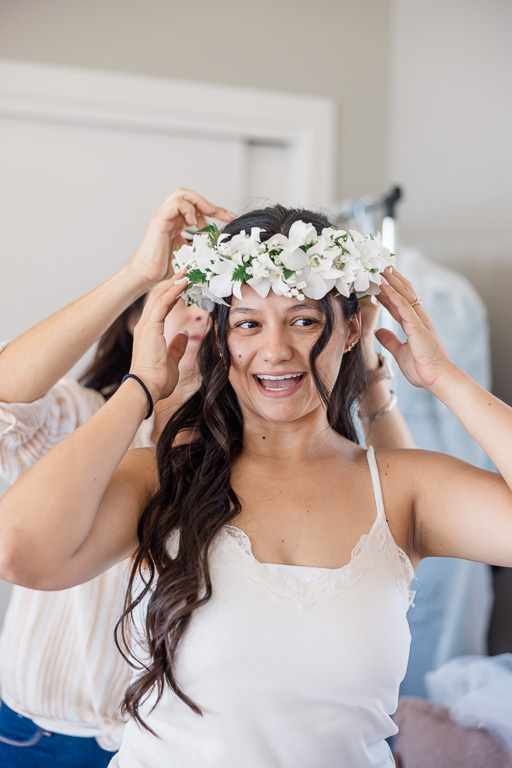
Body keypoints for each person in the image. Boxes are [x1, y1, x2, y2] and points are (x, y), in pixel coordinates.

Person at [2, 202, 505, 768]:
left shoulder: (405, 487)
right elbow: (21, 551)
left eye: (304, 319)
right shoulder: (163, 478)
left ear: (350, 330)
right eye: (247, 323)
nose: (275, 351)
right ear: (219, 338)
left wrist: (444, 377)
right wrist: (142, 385)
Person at [0, 188, 234, 766]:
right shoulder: (78, 419)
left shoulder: (252, 457)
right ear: (136, 318)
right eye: (183, 293)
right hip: (33, 733)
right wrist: (137, 272)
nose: (201, 312)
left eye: (219, 300)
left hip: (170, 747)